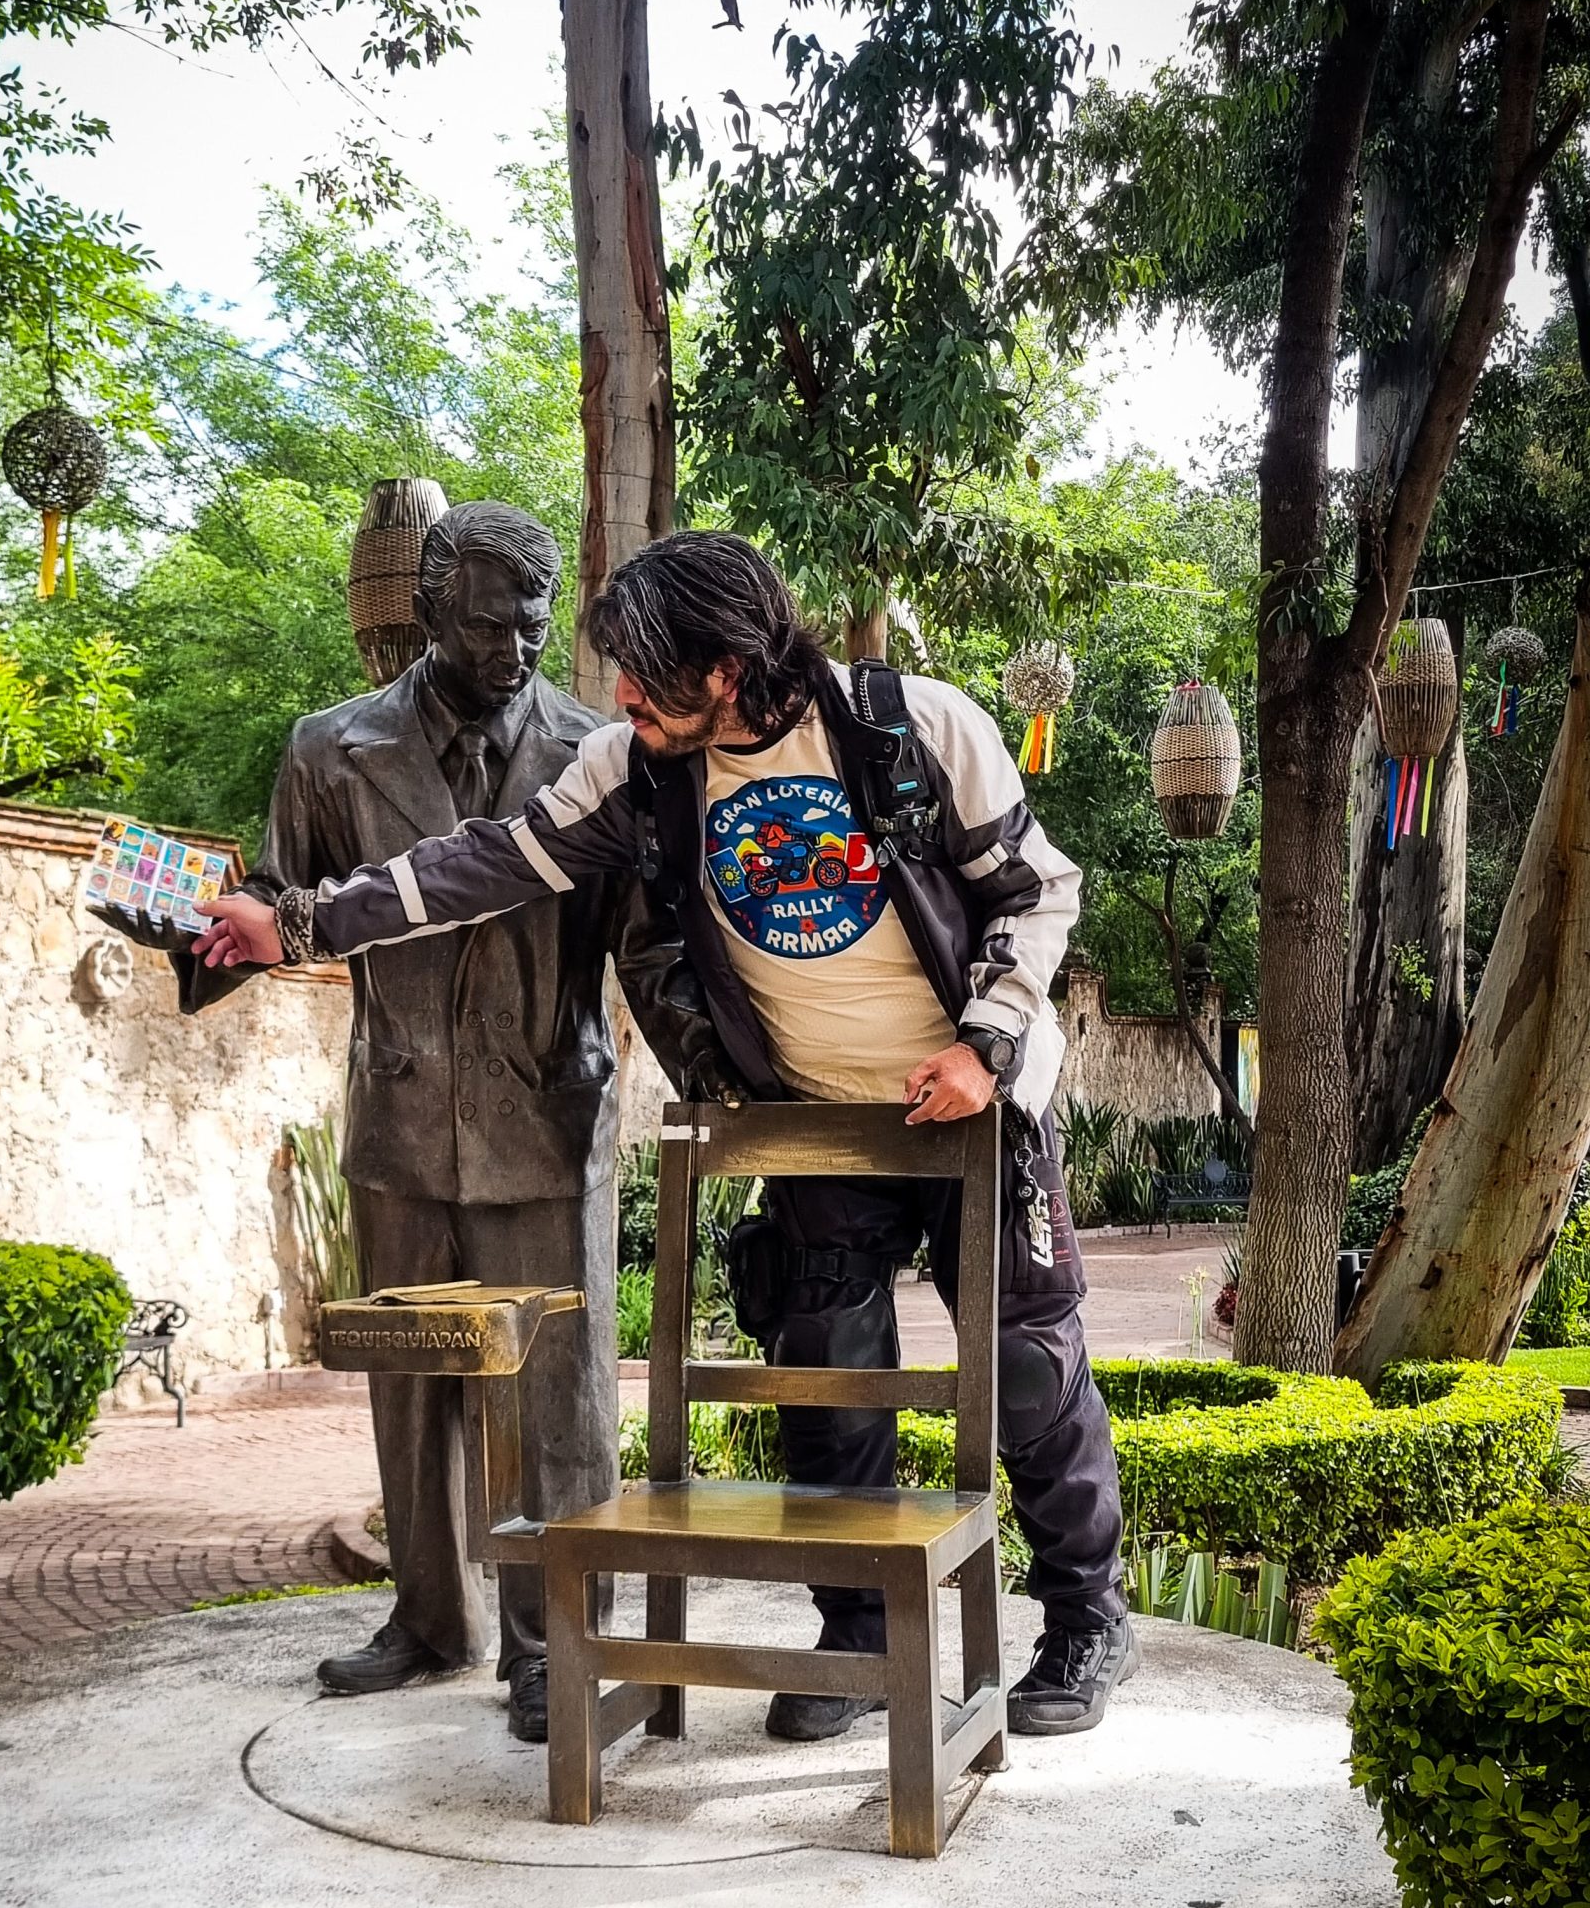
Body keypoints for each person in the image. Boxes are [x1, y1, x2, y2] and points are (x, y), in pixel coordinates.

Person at [195, 530, 1135, 1739]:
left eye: (643, 671)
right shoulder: (633, 769)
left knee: (1029, 1379)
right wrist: (300, 923)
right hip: (812, 1124)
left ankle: (1086, 1619)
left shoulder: (915, 728)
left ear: (729, 665)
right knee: (826, 1386)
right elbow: (481, 863)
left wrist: (990, 1042)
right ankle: (861, 1639)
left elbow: (1037, 888)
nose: (619, 693)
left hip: (969, 1110)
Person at [107, 502, 727, 1743]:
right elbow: (284, 907)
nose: (517, 645)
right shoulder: (328, 751)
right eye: (495, 620)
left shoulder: (601, 752)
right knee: (413, 1386)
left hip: (549, 1112)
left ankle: (560, 1636)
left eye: (537, 623)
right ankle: (432, 1616)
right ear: (434, 607)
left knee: (564, 1394)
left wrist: (722, 1074)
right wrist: (193, 933)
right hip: (395, 1105)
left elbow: (650, 946)